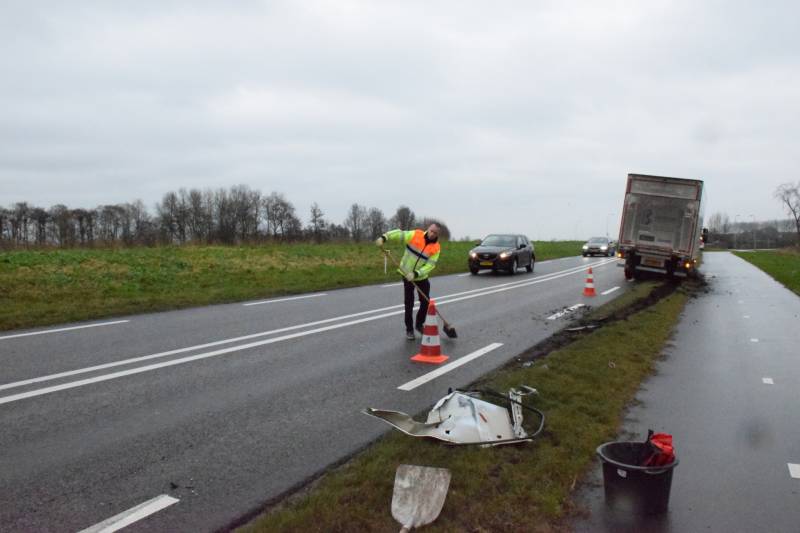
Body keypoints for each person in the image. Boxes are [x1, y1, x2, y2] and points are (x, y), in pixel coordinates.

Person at [375, 223, 441, 339]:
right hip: (406, 274)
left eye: (435, 233)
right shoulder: (416, 235)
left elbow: (430, 265)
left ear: (437, 234)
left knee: (425, 302)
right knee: (409, 303)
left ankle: (419, 324)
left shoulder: (436, 248)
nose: (432, 234)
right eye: (431, 231)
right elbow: (399, 234)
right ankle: (409, 330)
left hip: (421, 277)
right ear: (428, 229)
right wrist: (384, 237)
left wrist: (416, 274)